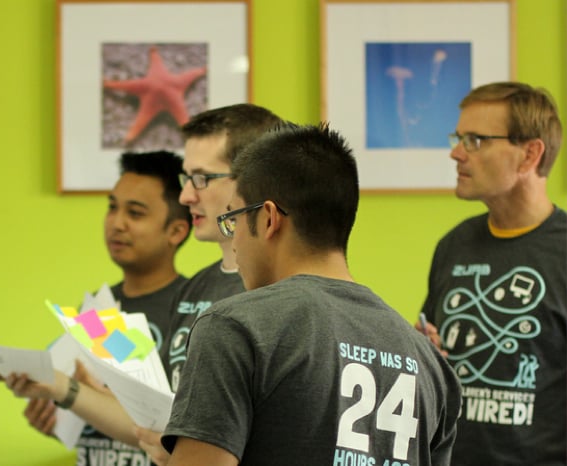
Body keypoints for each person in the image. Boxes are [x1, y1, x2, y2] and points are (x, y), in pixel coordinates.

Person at [161, 122, 462, 465]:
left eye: (235, 218)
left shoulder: (234, 327)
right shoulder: (430, 363)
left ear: (269, 218)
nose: (234, 242)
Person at [7, 150, 192, 466]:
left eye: (135, 213)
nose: (116, 223)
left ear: (176, 231)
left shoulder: (193, 307)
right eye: (112, 207)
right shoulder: (98, 307)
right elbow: (87, 417)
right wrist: (57, 422)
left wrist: (71, 392)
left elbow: (183, 430)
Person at [417, 81, 567, 465]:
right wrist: (422, 348)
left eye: (475, 141)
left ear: (530, 154)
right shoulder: (453, 244)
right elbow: (435, 355)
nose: (456, 153)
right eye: (459, 139)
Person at [162, 103, 283, 392]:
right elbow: (162, 408)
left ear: (252, 180)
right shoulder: (192, 289)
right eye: (186, 177)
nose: (185, 196)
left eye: (201, 179)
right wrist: (71, 391)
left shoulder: (282, 293)